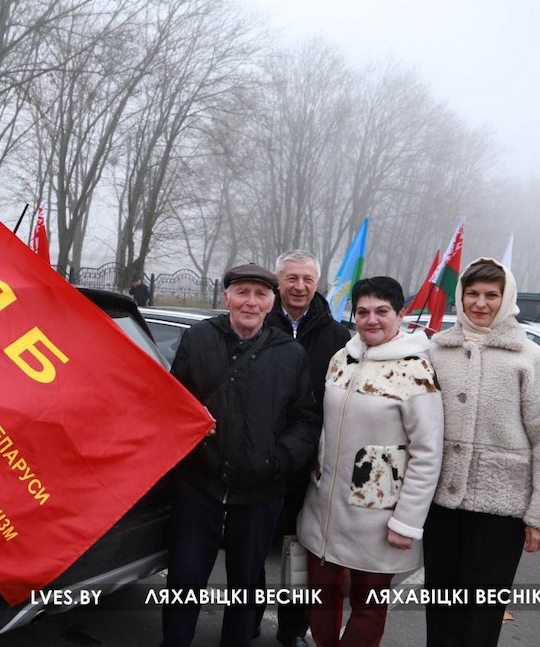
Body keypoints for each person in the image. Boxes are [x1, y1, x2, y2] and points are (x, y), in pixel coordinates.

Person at [162, 263, 321, 647]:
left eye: (260, 294)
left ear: (271, 302)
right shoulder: (198, 339)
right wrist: (191, 441)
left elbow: (305, 419)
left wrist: (278, 460)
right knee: (184, 578)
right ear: (227, 297)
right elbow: (173, 402)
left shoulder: (290, 353)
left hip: (260, 491)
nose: (250, 302)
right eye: (242, 292)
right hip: (199, 483)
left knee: (246, 583)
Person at [297, 276, 444, 647]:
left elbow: (427, 453)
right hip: (324, 510)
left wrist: (406, 522)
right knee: (321, 599)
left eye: (382, 311)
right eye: (363, 312)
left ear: (401, 314)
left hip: (378, 515)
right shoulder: (341, 359)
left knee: (368, 607)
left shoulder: (416, 371)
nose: (371, 320)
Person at [425, 258, 540, 647]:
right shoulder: (436, 351)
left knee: (480, 614)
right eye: (472, 294)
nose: (480, 303)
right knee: (440, 605)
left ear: (507, 299)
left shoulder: (530, 358)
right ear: (460, 297)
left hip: (501, 510)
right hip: (441, 504)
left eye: (491, 295)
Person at [259, 249, 351, 647]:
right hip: (260, 459)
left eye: (307, 280)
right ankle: (244, 620)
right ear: (278, 281)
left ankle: (292, 628)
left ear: (318, 283)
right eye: (291, 278)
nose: (299, 287)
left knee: (298, 554)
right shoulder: (258, 321)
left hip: (310, 462)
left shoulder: (336, 335)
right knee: (252, 549)